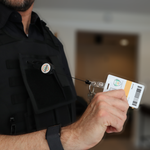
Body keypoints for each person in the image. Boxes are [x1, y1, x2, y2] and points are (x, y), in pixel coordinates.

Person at [0, 0, 129, 150]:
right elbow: (72, 135)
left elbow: (66, 104)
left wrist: (95, 113)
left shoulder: (52, 42)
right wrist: (72, 136)